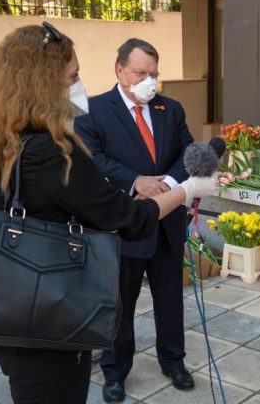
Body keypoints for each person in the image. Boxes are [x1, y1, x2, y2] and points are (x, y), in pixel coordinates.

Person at [0, 24, 216, 404]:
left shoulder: (1, 139)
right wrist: (189, 189)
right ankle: (116, 369)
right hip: (49, 319)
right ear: (43, 84)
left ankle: (171, 359)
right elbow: (131, 218)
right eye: (73, 76)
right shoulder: (52, 154)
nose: (79, 84)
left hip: (11, 310)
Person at [74, 38, 195, 402]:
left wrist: (167, 184)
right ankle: (115, 371)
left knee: (170, 298)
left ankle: (173, 361)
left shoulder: (170, 109)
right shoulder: (93, 110)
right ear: (120, 70)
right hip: (122, 224)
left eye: (154, 74)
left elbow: (189, 152)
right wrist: (135, 181)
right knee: (120, 304)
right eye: (141, 73)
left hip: (167, 223)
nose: (149, 81)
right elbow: (92, 158)